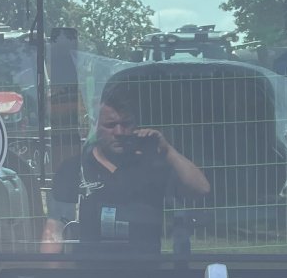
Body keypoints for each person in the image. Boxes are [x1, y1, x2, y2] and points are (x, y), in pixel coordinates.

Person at [40, 82, 210, 252]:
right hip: (90, 273)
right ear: (96, 125)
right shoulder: (74, 169)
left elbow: (200, 189)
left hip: (146, 273)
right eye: (111, 125)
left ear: (136, 124)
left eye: (126, 124)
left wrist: (168, 151)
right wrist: (52, 275)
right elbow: (54, 230)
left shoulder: (153, 165)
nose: (119, 132)